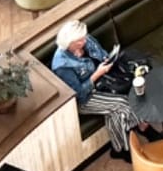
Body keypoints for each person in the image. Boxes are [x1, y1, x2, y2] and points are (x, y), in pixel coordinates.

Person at [51, 19, 145, 161]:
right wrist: (97, 74)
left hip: (103, 81)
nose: (84, 41)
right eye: (79, 41)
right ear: (69, 43)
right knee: (121, 106)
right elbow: (79, 95)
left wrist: (108, 59)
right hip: (85, 98)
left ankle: (121, 146)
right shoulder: (62, 65)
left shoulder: (86, 39)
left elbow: (102, 54)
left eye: (84, 37)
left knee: (129, 93)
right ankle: (127, 142)